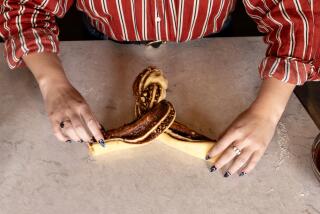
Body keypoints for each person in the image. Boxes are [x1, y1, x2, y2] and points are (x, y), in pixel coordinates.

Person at [0, 0, 319, 178]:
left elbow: (300, 18)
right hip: (105, 40)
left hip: (210, 41)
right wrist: (53, 84)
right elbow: (24, 10)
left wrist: (267, 112)